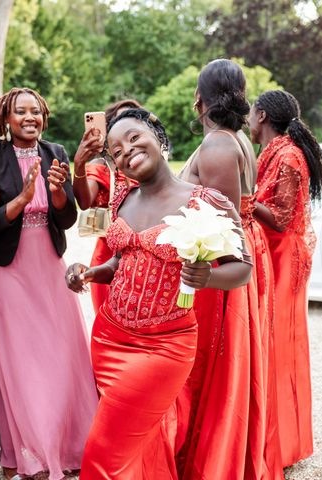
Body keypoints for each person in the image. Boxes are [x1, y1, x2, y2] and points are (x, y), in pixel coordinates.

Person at [66, 108, 253, 479]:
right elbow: (120, 262)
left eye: (134, 138)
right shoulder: (124, 201)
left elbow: (243, 268)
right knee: (140, 446)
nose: (127, 152)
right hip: (108, 338)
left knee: (102, 453)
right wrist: (89, 273)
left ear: (157, 136)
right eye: (116, 151)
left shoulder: (206, 201)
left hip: (163, 347)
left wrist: (206, 278)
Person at [0, 87, 98, 480]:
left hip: (48, 265)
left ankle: (68, 445)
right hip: (6, 271)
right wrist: (23, 198)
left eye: (36, 112)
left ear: (44, 116)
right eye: (20, 112)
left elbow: (68, 220)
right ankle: (31, 455)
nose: (30, 118)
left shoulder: (55, 153)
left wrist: (57, 194)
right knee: (20, 362)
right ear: (5, 119)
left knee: (62, 355)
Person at [177, 58, 283, 480]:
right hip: (231, 254)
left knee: (214, 367)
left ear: (198, 98)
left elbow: (223, 223)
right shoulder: (235, 138)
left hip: (220, 264)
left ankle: (213, 463)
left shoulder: (219, 144)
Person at [249, 89, 322, 467]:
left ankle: (282, 446)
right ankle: (273, 439)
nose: (248, 119)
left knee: (280, 345)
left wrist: (244, 202)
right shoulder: (273, 151)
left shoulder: (288, 155)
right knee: (270, 343)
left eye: (251, 112)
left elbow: (281, 217)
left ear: (262, 115)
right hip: (272, 253)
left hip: (284, 257)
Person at [72, 99, 141, 313]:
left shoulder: (148, 165)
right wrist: (80, 163)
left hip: (144, 259)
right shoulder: (100, 167)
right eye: (120, 120)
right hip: (107, 259)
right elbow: (84, 201)